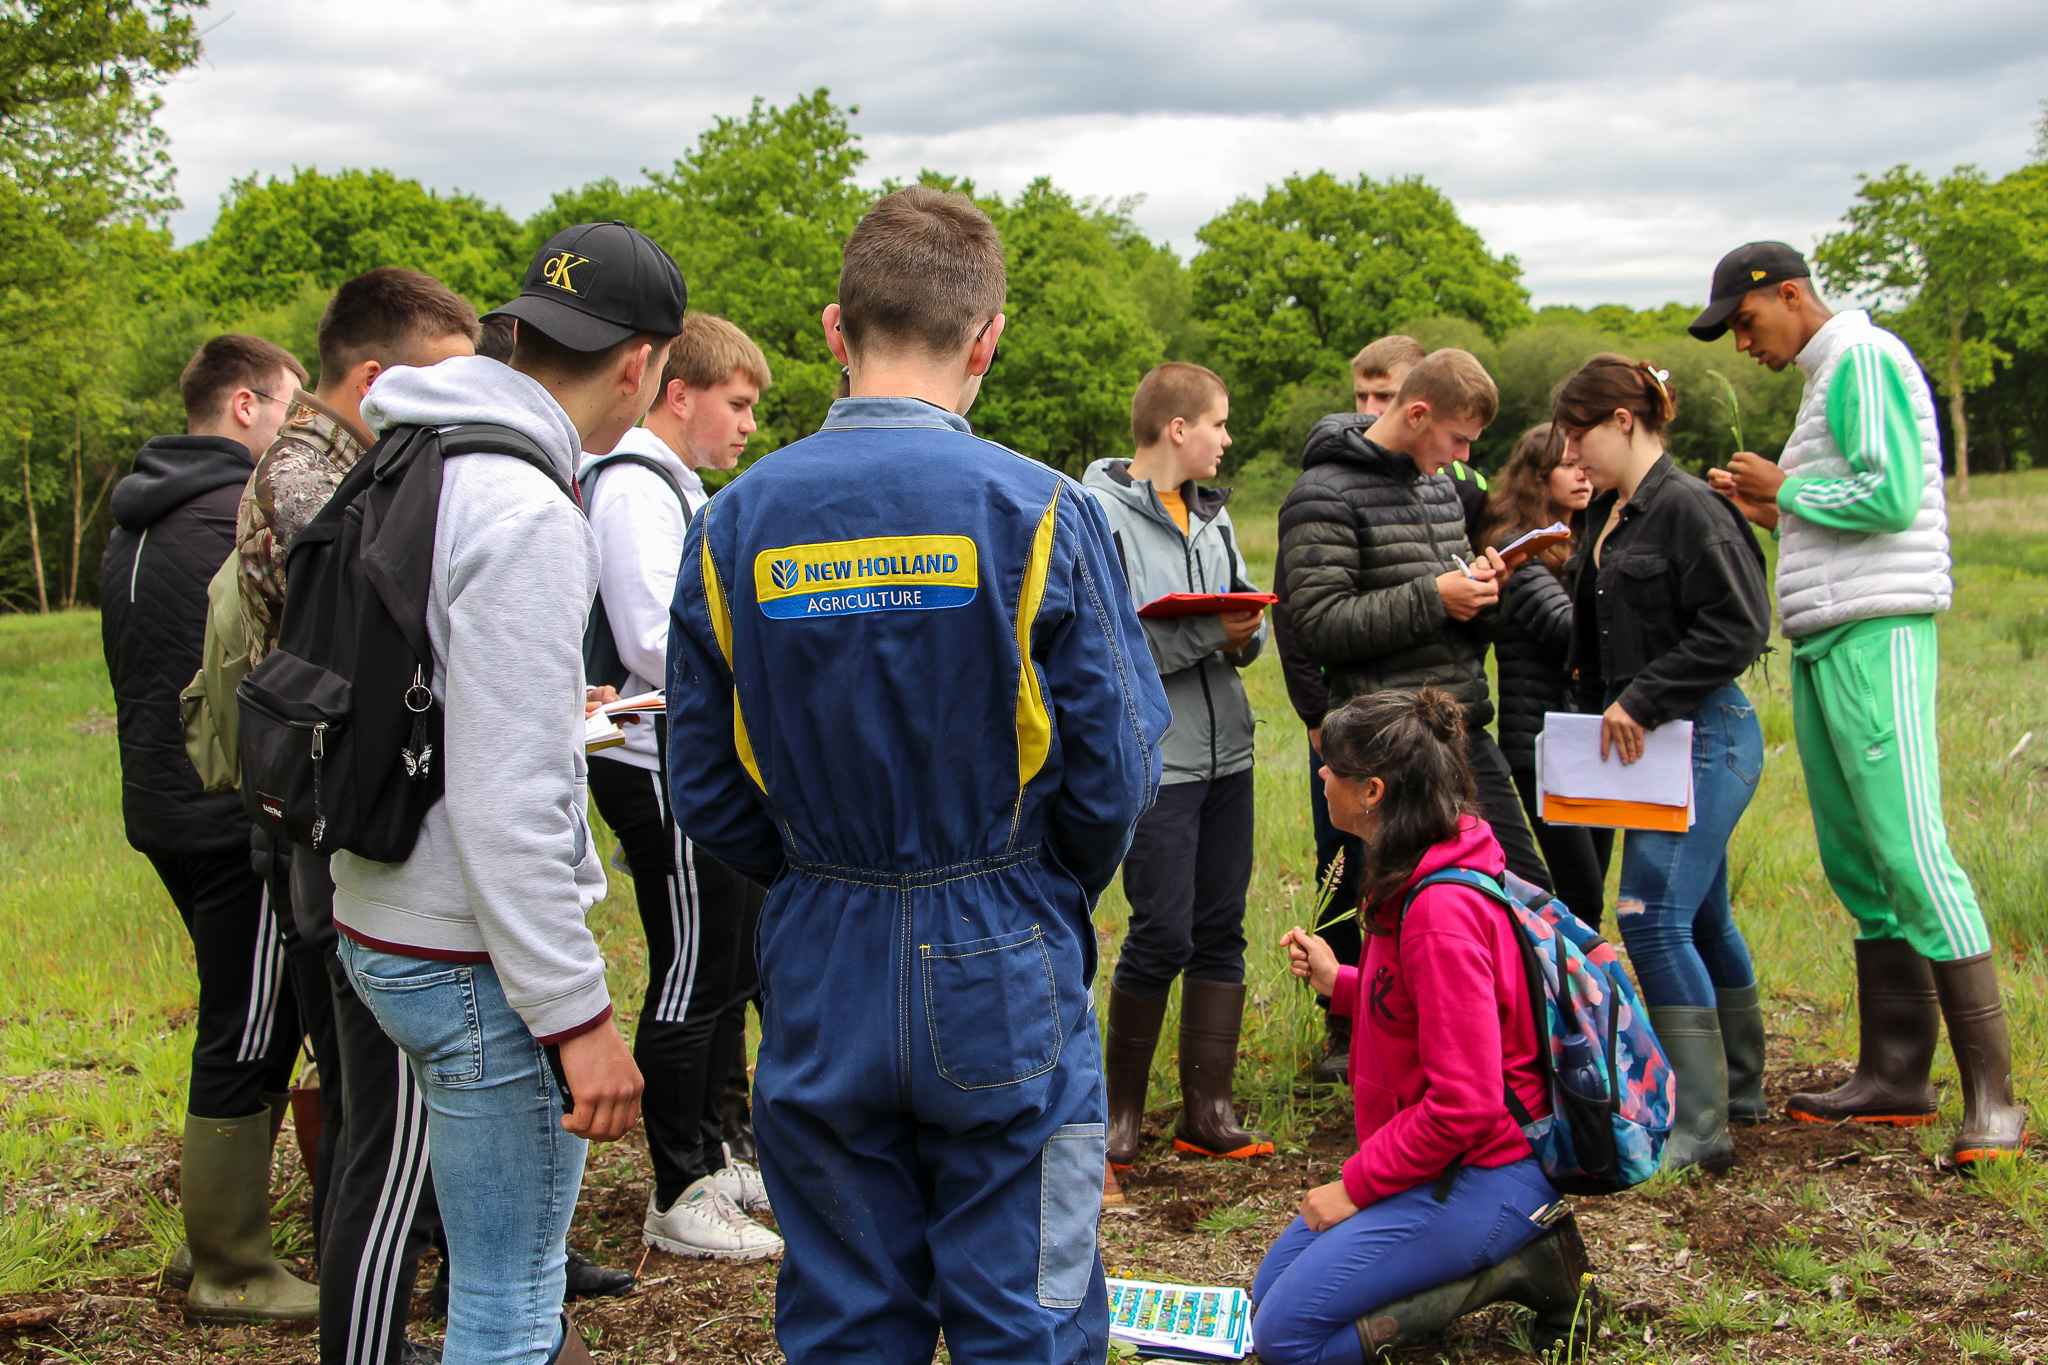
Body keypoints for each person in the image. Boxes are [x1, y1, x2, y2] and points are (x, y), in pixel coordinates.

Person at [665, 186, 1171, 1365]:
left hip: (819, 946)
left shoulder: (732, 525)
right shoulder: (1040, 509)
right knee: (1028, 1318)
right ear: (985, 340)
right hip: (1001, 944)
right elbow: (1115, 771)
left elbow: (702, 782)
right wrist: (1032, 889)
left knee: (846, 1317)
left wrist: (814, 876)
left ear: (836, 332)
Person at [330, 221, 685, 1365]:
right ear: (639, 366)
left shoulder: (412, 454)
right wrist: (578, 1023)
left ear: (517, 330)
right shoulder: (527, 511)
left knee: (493, 1277)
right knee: (509, 1294)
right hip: (471, 960)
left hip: (375, 910)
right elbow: (507, 804)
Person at [1696, 242, 2027, 1164]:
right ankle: (1896, 1073)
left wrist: (1786, 486)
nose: (1741, 343)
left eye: (1746, 322)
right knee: (1856, 854)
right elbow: (1852, 498)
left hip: (1877, 630)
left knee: (1909, 848)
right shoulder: (1825, 375)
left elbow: (1890, 493)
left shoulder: (1863, 357)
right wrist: (1777, 510)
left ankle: (1994, 1098)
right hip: (1829, 630)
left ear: (1789, 294)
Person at [1259, 689, 1592, 1365]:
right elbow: (1434, 1008)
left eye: (1331, 765)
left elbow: (1463, 1104)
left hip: (1486, 1170)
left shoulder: (1440, 909)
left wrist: (1354, 1185)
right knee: (1267, 1295)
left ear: (1373, 790)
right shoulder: (1415, 866)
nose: (1321, 773)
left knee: (1286, 1339)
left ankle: (1521, 1262)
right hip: (1439, 1162)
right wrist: (1342, 984)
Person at [100, 332, 316, 1324]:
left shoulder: (138, 513)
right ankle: (230, 1262)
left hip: (159, 805)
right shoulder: (230, 514)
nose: (297, 424)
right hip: (232, 816)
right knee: (252, 1025)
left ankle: (212, 1244)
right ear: (243, 405)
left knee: (238, 1013)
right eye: (289, 403)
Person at [580, 313, 780, 1259]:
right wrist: (773, 660)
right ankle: (678, 1186)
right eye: (736, 404)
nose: (747, 425)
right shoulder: (631, 487)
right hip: (657, 764)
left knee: (726, 962)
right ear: (678, 393)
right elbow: (652, 638)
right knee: (692, 970)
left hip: (697, 759)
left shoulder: (677, 486)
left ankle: (712, 1147)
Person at [1555, 355, 1771, 1172]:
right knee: (1702, 916)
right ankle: (1740, 1088)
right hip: (1650, 753)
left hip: (1704, 735)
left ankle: (1699, 1123)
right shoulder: (1609, 512)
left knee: (1651, 916)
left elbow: (1739, 626)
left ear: (1623, 419)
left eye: (1580, 434)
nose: (1572, 454)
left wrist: (1643, 698)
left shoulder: (1690, 509)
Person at [1083, 362, 1272, 1183]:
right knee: (1162, 929)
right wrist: (1208, 635)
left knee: (1222, 927)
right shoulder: (1100, 517)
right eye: (1220, 424)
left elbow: (1240, 627)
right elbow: (1109, 649)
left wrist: (1246, 630)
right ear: (1178, 429)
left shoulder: (1213, 516)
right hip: (1158, 757)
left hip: (1230, 750)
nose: (1228, 440)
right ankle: (1119, 1114)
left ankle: (1209, 1113)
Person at [1279, 348, 1552, 909]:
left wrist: (1482, 594)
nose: (1464, 454)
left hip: (1460, 730)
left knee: (1525, 896)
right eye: (1457, 438)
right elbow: (1318, 626)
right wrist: (1435, 598)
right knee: (1402, 912)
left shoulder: (1439, 489)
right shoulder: (1321, 493)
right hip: (1391, 745)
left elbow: (1455, 626)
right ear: (1418, 413)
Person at [1481, 422, 1609, 930]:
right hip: (1542, 738)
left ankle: (1583, 999)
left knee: (1591, 889)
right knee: (1577, 891)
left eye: (1585, 463)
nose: (1582, 474)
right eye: (1566, 465)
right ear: (1537, 476)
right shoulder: (1520, 547)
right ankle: (1566, 999)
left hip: (1589, 734)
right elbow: (1567, 630)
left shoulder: (1580, 539)